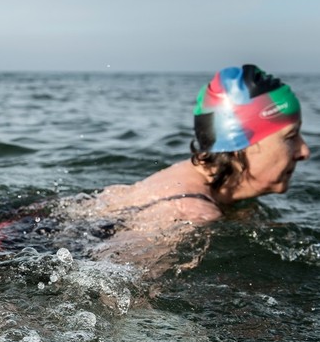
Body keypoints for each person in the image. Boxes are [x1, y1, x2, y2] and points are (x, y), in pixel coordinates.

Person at [92, 64, 309, 226]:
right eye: (291, 136)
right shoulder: (192, 215)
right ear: (238, 144)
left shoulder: (184, 179)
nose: (304, 151)